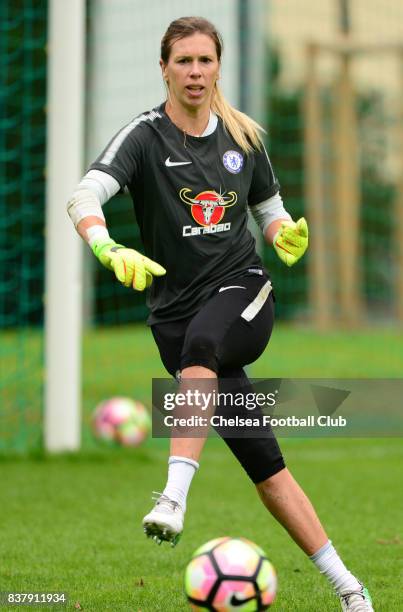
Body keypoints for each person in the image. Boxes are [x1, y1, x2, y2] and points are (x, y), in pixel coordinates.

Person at [67, 16, 374, 612]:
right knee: (264, 463)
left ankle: (174, 498)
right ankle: (350, 588)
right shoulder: (144, 136)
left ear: (218, 66)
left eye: (205, 61)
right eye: (183, 61)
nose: (195, 72)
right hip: (172, 315)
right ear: (164, 67)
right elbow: (84, 194)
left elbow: (270, 208)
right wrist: (106, 246)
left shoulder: (244, 137)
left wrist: (284, 233)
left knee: (205, 344)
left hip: (243, 289)